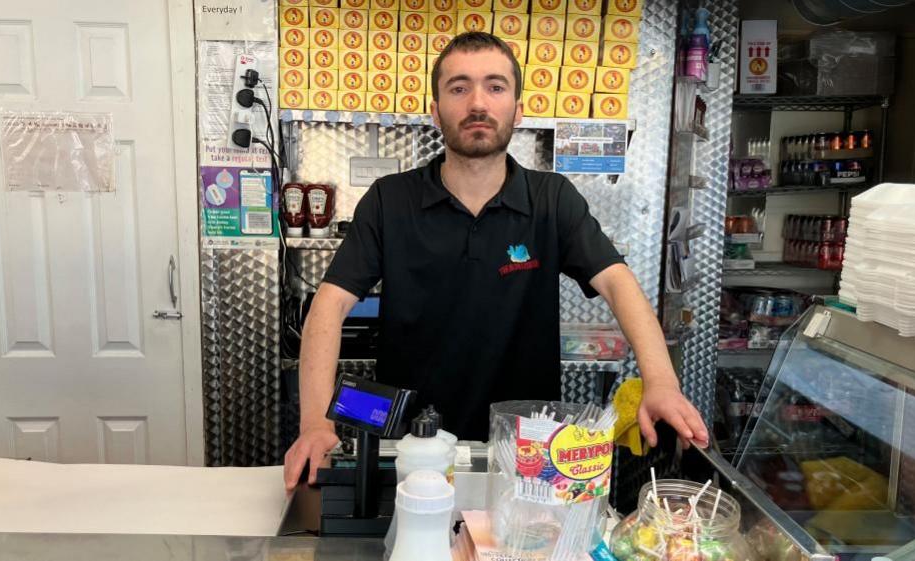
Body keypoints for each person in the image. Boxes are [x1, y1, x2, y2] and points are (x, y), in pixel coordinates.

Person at [284, 32, 708, 491]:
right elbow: (328, 307)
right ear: (436, 110)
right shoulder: (390, 200)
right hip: (413, 451)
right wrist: (314, 424)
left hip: (527, 453)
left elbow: (617, 283)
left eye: (496, 86)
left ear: (518, 110)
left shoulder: (551, 199)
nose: (478, 103)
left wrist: (661, 382)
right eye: (459, 87)